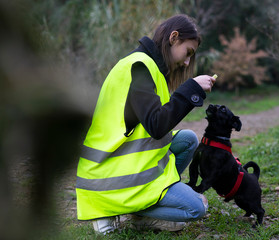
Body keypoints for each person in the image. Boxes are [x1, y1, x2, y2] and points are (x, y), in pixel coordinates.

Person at [75, 14, 217, 235]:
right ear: (174, 37)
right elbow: (157, 125)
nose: (187, 62)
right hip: (106, 174)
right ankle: (109, 210)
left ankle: (141, 213)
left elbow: (152, 125)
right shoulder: (139, 67)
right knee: (196, 208)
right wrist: (191, 89)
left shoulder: (148, 66)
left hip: (125, 160)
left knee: (187, 139)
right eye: (188, 52)